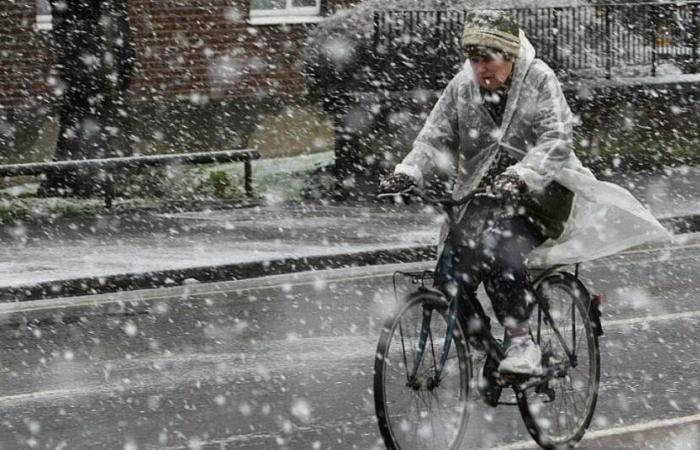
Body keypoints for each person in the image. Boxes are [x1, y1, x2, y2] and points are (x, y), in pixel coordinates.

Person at [378, 9, 670, 384]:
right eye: (474, 57)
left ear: (511, 55)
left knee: (501, 251)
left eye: (489, 57)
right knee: (449, 273)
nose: (481, 67)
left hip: (541, 196)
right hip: (482, 197)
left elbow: (557, 139)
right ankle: (488, 350)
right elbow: (432, 137)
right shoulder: (462, 87)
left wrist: (521, 174)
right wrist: (408, 171)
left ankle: (522, 344)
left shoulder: (539, 78)